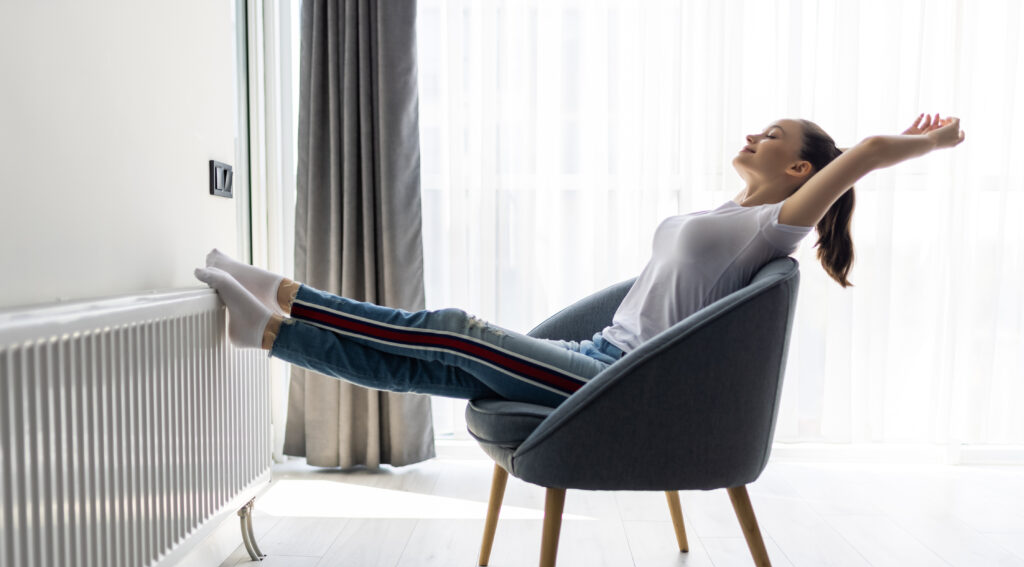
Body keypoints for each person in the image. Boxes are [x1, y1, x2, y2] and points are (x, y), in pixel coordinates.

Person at [194, 113, 965, 408]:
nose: (755, 133)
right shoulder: (727, 213)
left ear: (801, 172)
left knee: (457, 329)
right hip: (587, 354)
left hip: (618, 382)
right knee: (429, 368)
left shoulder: (777, 228)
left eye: (774, 134)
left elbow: (861, 154)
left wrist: (929, 141)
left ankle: (281, 296)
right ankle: (271, 326)